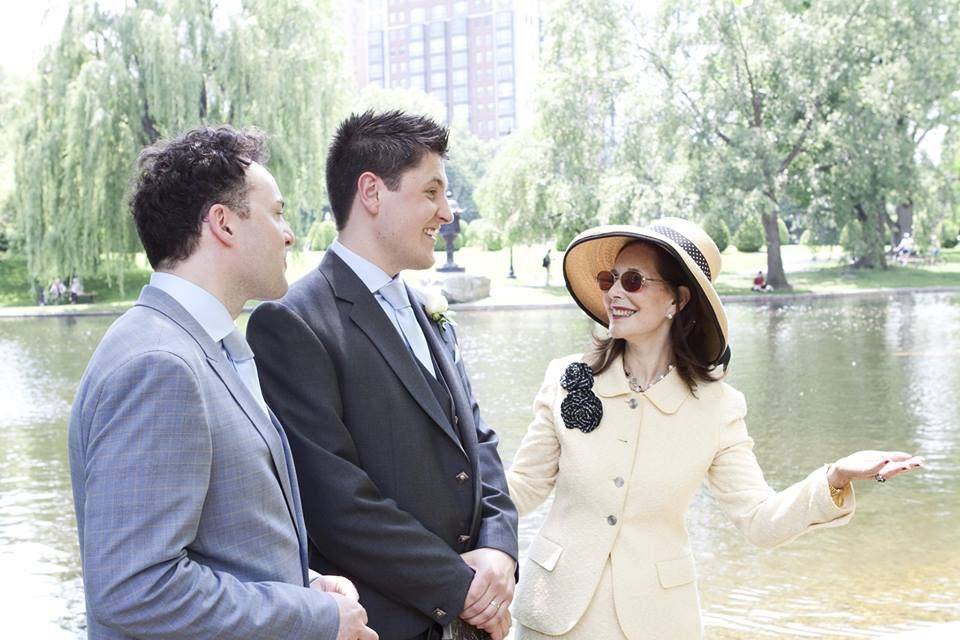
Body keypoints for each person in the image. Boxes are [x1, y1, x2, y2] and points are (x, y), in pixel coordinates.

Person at [506, 217, 923, 640]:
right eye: (608, 278)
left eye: (632, 281)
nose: (614, 292)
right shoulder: (565, 378)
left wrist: (834, 477)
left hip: (659, 623)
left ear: (677, 299)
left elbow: (759, 521)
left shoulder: (719, 407)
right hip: (551, 616)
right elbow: (522, 486)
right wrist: (448, 505)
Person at [67, 126, 375, 640]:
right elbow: (136, 589)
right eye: (276, 212)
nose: (288, 233)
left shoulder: (196, 345)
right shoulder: (161, 366)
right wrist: (313, 619)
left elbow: (225, 537)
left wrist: (304, 584)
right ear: (224, 224)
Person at [247, 110, 519, 640]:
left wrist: (500, 550)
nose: (446, 211)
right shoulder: (293, 322)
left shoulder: (425, 308)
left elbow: (478, 441)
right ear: (372, 192)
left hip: (471, 619)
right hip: (387, 624)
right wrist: (462, 589)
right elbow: (337, 504)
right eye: (432, 192)